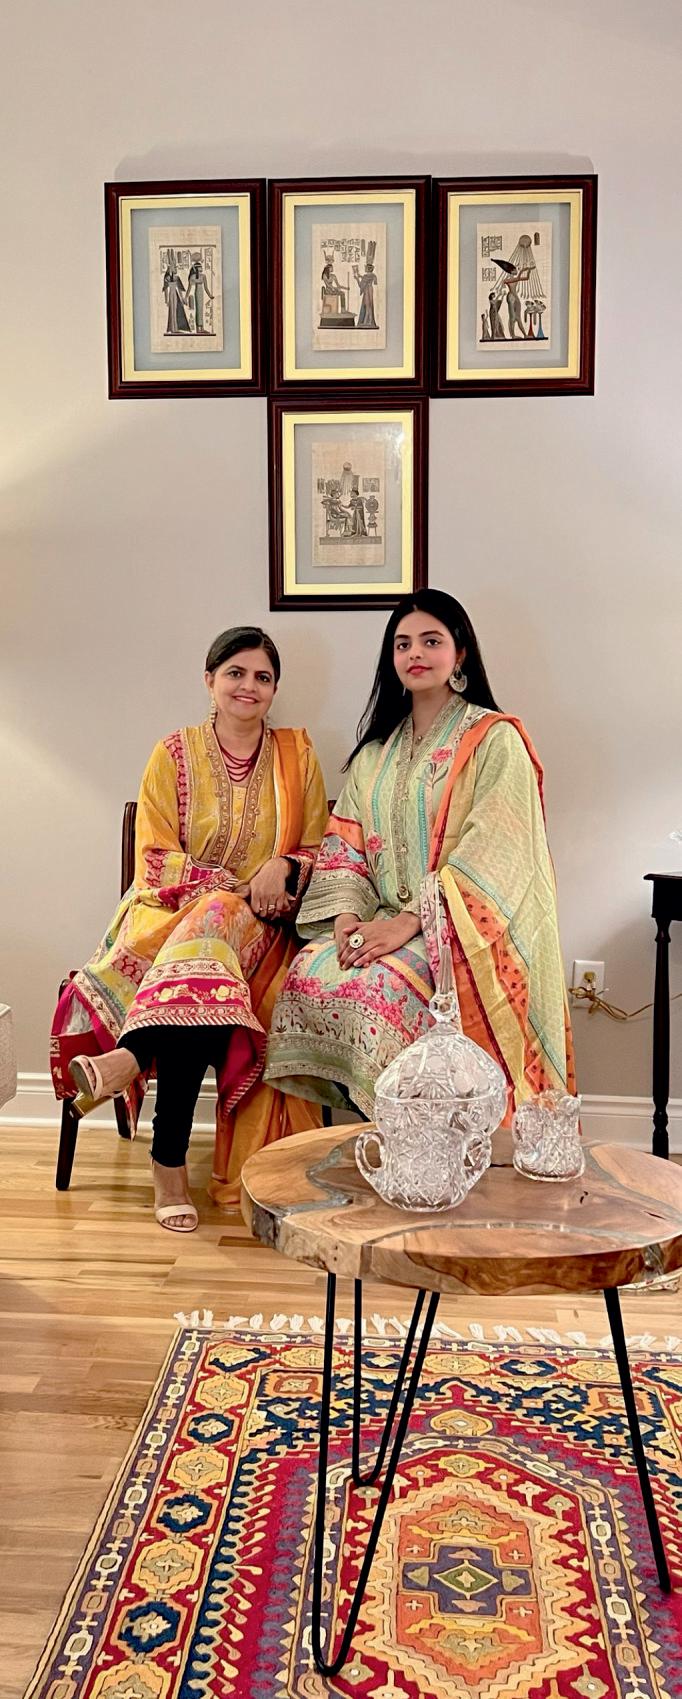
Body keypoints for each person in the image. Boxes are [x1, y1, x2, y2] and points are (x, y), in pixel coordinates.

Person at [51, 628, 329, 1231]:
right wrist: (227, 889)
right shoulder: (172, 753)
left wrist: (283, 867)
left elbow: (317, 851)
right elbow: (154, 858)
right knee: (205, 962)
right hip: (169, 918)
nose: (248, 686)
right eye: (235, 673)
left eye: (262, 677)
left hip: (263, 930)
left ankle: (132, 1071)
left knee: (211, 945)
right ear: (209, 680)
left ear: (274, 689)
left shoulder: (297, 757)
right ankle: (167, 1158)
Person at [266, 589, 575, 1121]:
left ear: (460, 653)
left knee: (380, 990)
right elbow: (345, 847)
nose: (415, 653)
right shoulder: (375, 754)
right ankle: (380, 1140)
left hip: (462, 935)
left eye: (431, 641)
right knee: (310, 974)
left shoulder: (495, 741)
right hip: (380, 921)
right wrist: (345, 919)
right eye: (403, 643)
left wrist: (411, 922)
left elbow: (497, 854)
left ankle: (433, 1146)